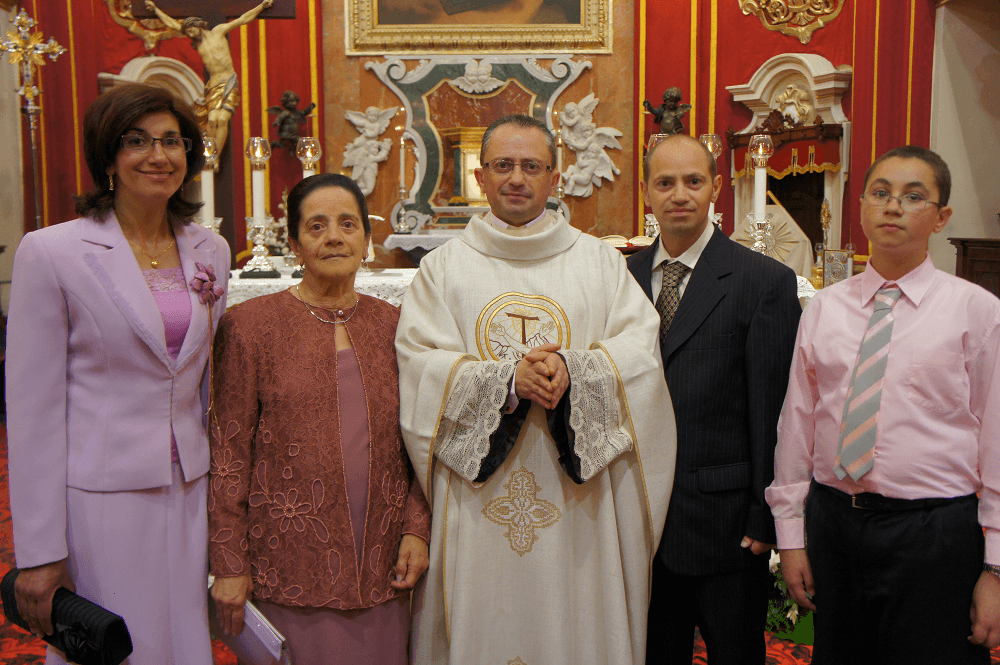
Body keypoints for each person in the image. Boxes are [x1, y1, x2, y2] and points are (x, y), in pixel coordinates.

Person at [395, 114, 676, 664]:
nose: (516, 178)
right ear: (481, 176)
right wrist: (504, 380)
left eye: (531, 166)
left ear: (555, 177)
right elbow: (418, 367)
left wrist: (575, 371)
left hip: (579, 504)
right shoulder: (443, 269)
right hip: (476, 504)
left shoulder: (598, 263)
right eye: (503, 165)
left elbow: (641, 356)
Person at [7, 82, 230, 664]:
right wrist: (38, 548)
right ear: (108, 157)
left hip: (188, 486)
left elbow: (205, 380)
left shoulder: (210, 250)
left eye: (172, 141)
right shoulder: (52, 252)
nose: (158, 155)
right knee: (117, 646)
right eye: (137, 141)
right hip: (102, 492)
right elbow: (32, 411)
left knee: (183, 639)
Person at [767, 145, 1000, 663]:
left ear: (941, 218)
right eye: (881, 193)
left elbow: (997, 440)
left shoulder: (976, 313)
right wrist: (791, 537)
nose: (893, 206)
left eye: (913, 197)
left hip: (934, 533)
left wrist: (996, 568)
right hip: (836, 524)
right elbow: (797, 423)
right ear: (863, 207)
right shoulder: (825, 308)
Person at [208, 173, 431, 665]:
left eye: (348, 224)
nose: (334, 236)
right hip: (286, 566)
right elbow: (227, 453)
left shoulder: (394, 326)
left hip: (382, 565)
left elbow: (420, 442)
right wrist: (228, 561)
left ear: (366, 241)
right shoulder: (249, 327)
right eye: (316, 226)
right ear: (294, 244)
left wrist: (417, 529)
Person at [627, 133, 800, 664]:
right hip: (638, 521)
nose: (680, 194)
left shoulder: (762, 281)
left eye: (693, 181)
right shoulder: (620, 278)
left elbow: (773, 410)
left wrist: (762, 514)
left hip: (725, 525)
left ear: (716, 188)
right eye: (665, 182)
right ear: (647, 192)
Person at [145, 0, 273, 155]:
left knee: (223, 119)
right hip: (214, 84)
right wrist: (156, 10)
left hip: (229, 81)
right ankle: (209, 153)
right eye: (188, 32)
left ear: (199, 25)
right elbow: (172, 24)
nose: (190, 34)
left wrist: (261, 6)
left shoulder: (218, 32)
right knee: (212, 120)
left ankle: (215, 157)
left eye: (192, 30)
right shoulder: (198, 43)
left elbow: (242, 19)